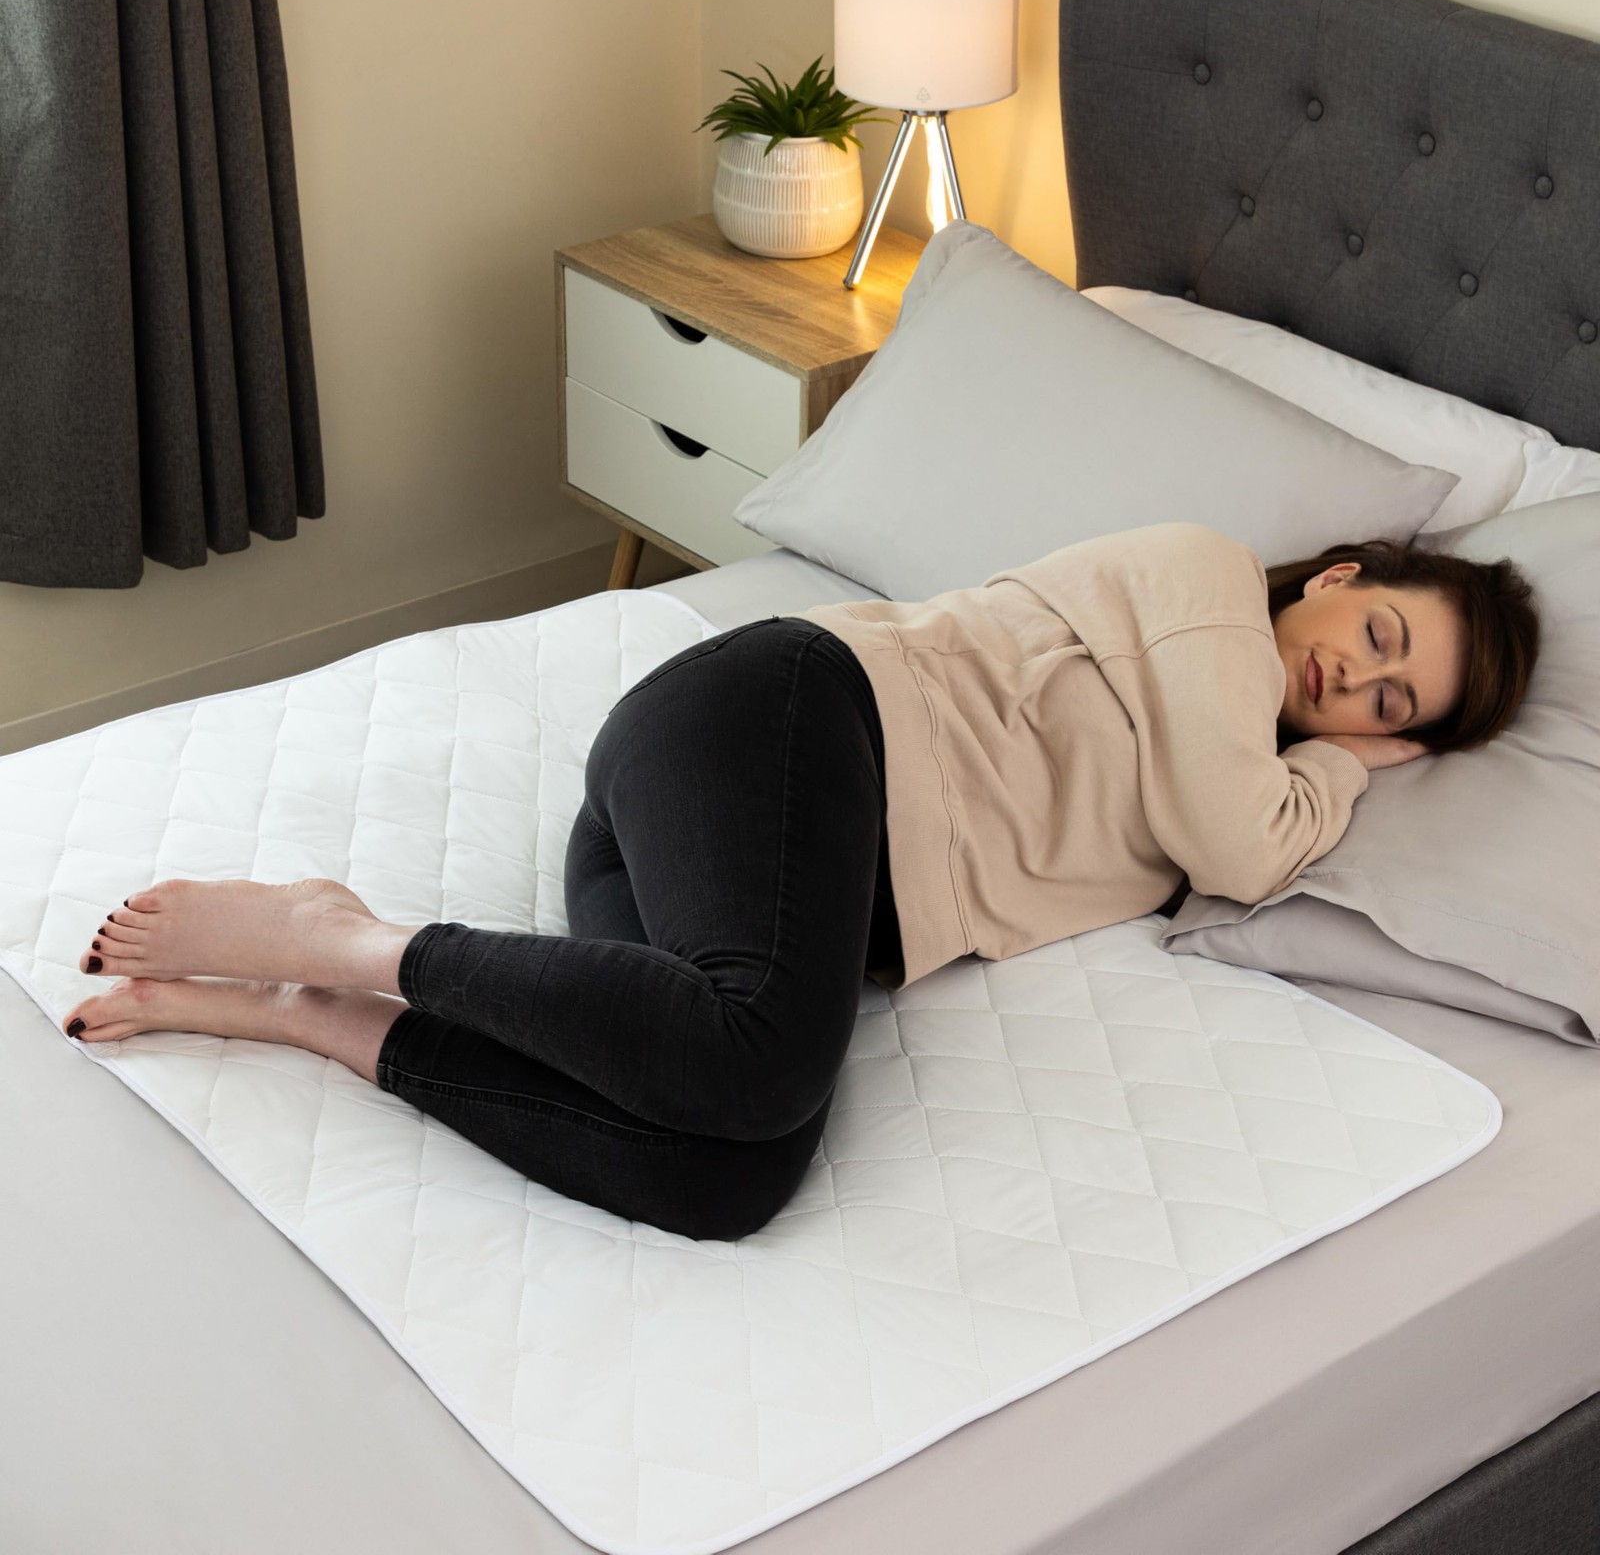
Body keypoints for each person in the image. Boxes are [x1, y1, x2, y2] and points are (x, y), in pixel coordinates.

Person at [60, 523, 1538, 1239]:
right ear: (1340, 576)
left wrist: (1329, 760)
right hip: (786, 718)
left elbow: (1238, 836)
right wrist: (1348, 768)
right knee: (760, 1059)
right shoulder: (1209, 584)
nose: (1356, 685)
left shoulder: (1244, 749)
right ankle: (349, 937)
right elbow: (1243, 846)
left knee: (733, 1175)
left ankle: (326, 1016)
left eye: (1391, 710)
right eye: (1381, 638)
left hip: (717, 863)